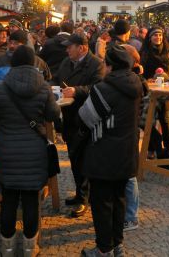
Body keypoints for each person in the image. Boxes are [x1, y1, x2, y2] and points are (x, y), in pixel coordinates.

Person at [0, 45, 60, 257]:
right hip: (35, 152)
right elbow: (53, 114)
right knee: (31, 201)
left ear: (12, 63)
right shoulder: (44, 87)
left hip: (7, 150)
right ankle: (29, 247)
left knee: (8, 199)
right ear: (34, 63)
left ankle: (6, 247)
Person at [80, 44, 143, 257]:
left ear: (109, 66)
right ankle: (117, 245)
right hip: (127, 153)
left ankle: (103, 249)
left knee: (102, 203)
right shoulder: (136, 84)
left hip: (103, 155)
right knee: (119, 200)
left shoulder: (103, 88)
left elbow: (87, 118)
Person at [55, 33, 106, 217]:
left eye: (70, 46)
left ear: (82, 48)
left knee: (84, 158)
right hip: (69, 117)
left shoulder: (96, 64)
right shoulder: (66, 62)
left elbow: (98, 87)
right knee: (74, 157)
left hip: (86, 118)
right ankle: (79, 194)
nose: (67, 49)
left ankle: (85, 198)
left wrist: (76, 90)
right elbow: (57, 79)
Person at [140, 26, 169, 160]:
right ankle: (151, 148)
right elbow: (141, 72)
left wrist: (167, 76)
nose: (158, 38)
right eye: (155, 35)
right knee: (150, 121)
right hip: (149, 92)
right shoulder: (144, 53)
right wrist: (147, 79)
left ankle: (168, 148)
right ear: (150, 38)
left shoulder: (168, 52)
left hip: (164, 91)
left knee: (165, 121)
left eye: (160, 35)